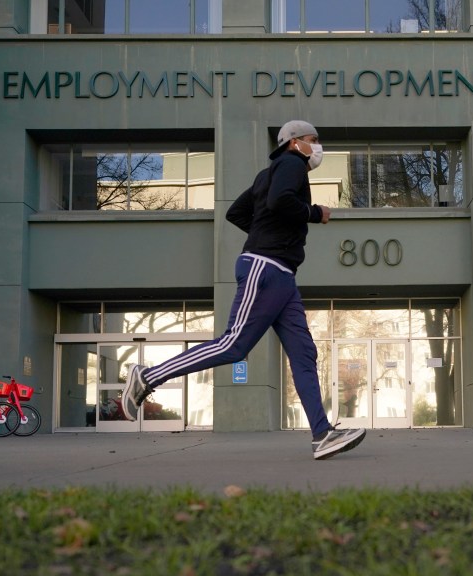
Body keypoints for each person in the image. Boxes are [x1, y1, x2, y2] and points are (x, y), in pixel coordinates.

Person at [120, 120, 366, 460]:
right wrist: (314, 212)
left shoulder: (266, 175)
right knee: (234, 345)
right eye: (313, 140)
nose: (317, 146)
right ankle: (147, 376)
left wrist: (266, 230)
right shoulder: (292, 165)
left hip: (282, 277)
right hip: (265, 269)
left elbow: (237, 213)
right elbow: (281, 202)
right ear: (295, 143)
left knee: (304, 354)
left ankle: (322, 434)